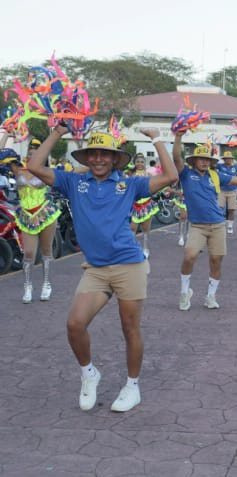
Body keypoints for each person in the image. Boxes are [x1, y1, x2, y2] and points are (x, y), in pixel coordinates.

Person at [27, 126, 178, 412]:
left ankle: (132, 387)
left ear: (114, 159)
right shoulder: (72, 182)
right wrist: (58, 132)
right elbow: (34, 165)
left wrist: (157, 138)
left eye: (104, 155)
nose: (98, 159)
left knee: (129, 327)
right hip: (96, 268)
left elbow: (171, 176)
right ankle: (89, 374)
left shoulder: (130, 184)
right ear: (87, 158)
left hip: (129, 265)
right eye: (93, 154)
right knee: (74, 324)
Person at [174, 134, 237, 310]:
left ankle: (210, 296)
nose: (205, 162)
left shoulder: (215, 175)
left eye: (208, 159)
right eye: (201, 159)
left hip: (218, 224)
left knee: (216, 261)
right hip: (198, 226)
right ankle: (185, 292)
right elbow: (176, 157)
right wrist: (178, 136)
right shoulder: (185, 174)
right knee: (189, 256)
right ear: (194, 161)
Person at [0, 135, 61, 303]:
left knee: (46, 252)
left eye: (35, 155)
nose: (31, 157)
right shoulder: (18, 170)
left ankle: (46, 284)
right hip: (26, 215)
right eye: (29, 154)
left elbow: (74, 173)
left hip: (45, 214)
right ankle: (28, 286)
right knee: (28, 253)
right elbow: (1, 153)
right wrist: (6, 133)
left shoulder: (47, 172)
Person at [127, 153, 157, 258]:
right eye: (138, 161)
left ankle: (145, 247)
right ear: (135, 163)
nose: (140, 163)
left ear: (145, 163)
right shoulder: (130, 174)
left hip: (146, 204)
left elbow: (155, 184)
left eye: (142, 162)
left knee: (145, 228)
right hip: (134, 205)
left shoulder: (148, 174)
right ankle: (132, 249)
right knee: (132, 228)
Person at [215, 150, 237, 234]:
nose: (228, 160)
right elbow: (212, 166)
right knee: (219, 208)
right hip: (222, 191)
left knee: (231, 209)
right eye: (226, 159)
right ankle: (220, 224)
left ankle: (230, 226)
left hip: (232, 191)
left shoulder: (236, 167)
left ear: (232, 159)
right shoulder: (220, 166)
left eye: (229, 158)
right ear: (224, 159)